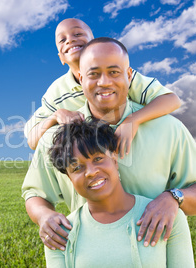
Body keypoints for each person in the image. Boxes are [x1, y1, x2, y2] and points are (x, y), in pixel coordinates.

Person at [22, 37, 196, 253]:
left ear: (129, 75)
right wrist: (44, 216)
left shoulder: (169, 129)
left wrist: (174, 198)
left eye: (114, 72)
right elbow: (35, 193)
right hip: (91, 256)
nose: (104, 82)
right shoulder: (55, 139)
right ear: (80, 77)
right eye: (94, 74)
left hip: (157, 255)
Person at [25, 18, 181, 159]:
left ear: (94, 42)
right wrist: (55, 116)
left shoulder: (120, 76)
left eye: (78, 34)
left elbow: (171, 100)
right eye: (62, 39)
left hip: (135, 150)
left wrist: (133, 120)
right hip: (91, 158)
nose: (70, 40)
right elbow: (33, 141)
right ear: (61, 58)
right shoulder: (56, 92)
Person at [45, 120, 194, 267]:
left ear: (115, 160)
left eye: (98, 158)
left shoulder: (166, 216)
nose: (91, 172)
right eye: (77, 168)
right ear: (69, 178)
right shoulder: (59, 234)